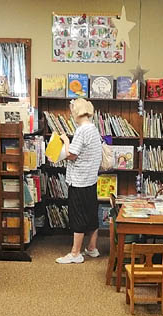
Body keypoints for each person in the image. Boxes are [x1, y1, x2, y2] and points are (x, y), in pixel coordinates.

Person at [56, 98, 103, 264]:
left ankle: (75, 253)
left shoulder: (82, 130)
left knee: (78, 215)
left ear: (75, 113)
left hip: (79, 180)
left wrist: (66, 141)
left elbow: (72, 155)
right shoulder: (93, 128)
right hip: (90, 179)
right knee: (91, 212)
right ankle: (92, 248)